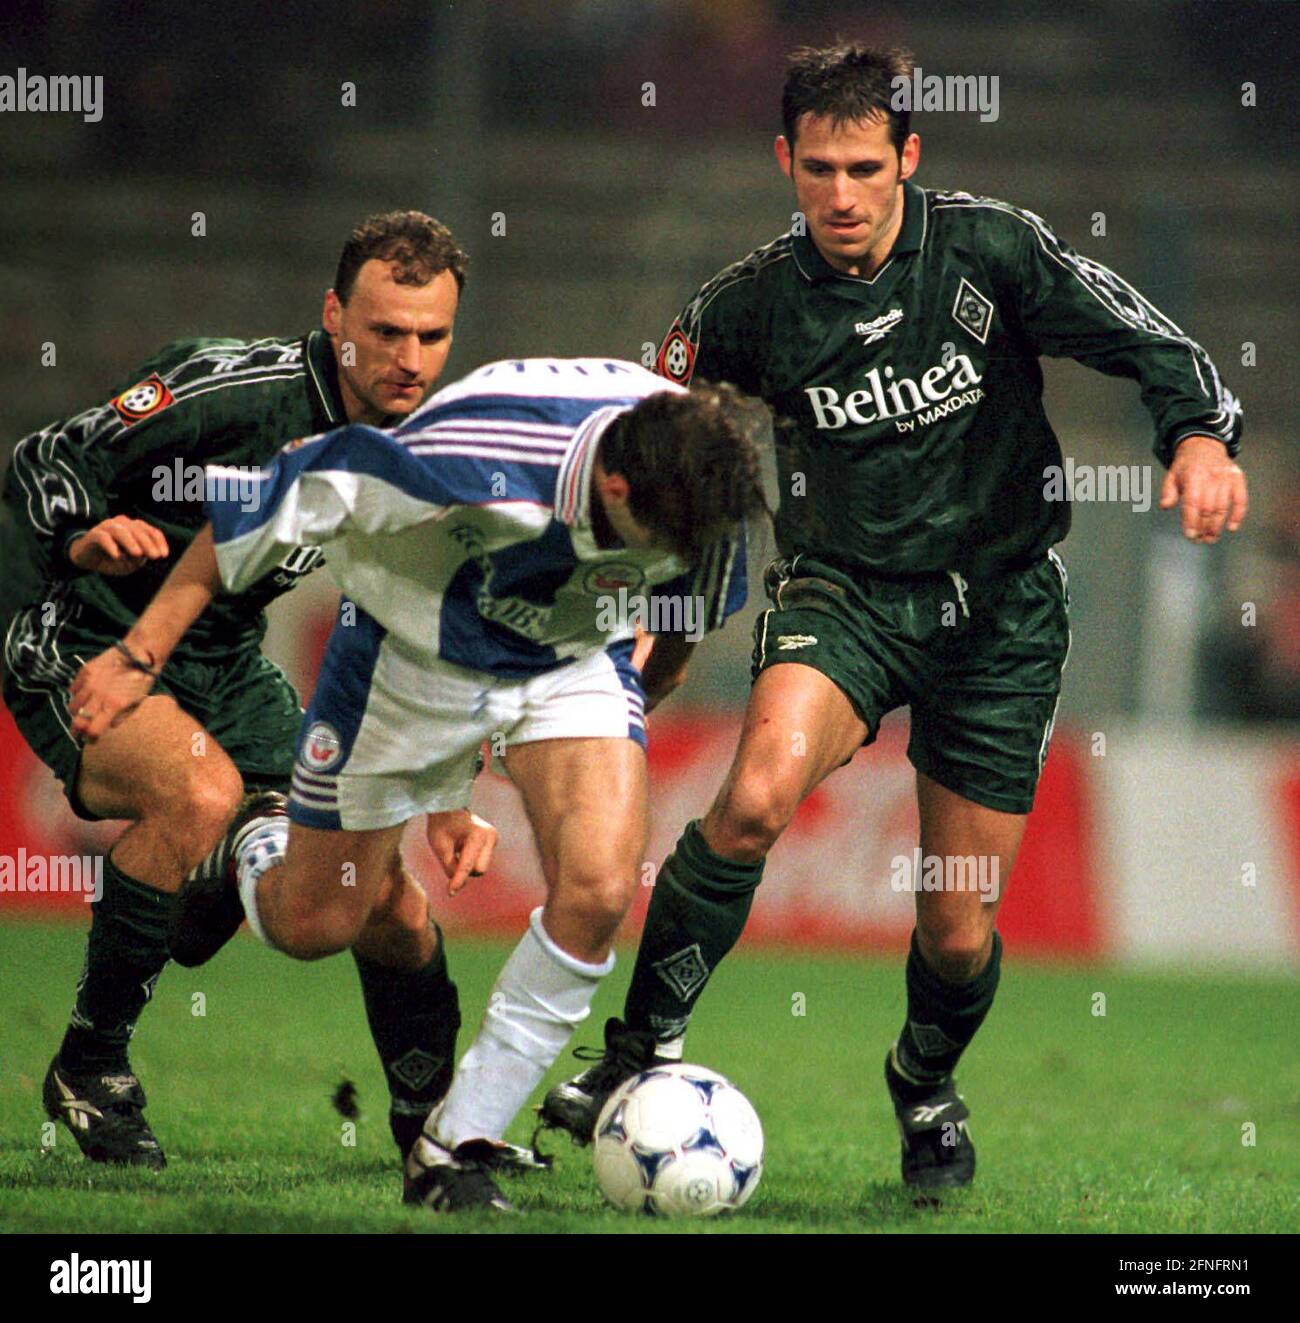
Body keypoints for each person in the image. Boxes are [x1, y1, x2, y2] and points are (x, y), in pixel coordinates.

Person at [541, 41, 1248, 1189]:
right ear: (784, 160)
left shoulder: (987, 247)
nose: (839, 194)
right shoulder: (744, 308)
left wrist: (1200, 438)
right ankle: (635, 1053)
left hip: (1003, 611)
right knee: (755, 795)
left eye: (863, 167)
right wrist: (658, 617)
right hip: (846, 596)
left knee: (957, 929)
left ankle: (923, 1085)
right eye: (816, 167)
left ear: (908, 158)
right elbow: (651, 458)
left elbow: (1147, 339)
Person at [68, 356, 770, 1211]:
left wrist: (629, 709)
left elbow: (687, 606)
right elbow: (263, 506)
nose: (693, 551)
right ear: (613, 486)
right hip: (406, 663)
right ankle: (256, 838)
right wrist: (138, 655)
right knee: (312, 923)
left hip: (570, 661)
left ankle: (451, 1146)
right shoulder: (466, 458)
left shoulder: (704, 478)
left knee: (599, 886)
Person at [2, 210, 483, 1170]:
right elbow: (44, 456)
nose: (410, 358)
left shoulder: (424, 445)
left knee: (375, 892)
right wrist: (80, 537)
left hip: (225, 664)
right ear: (334, 315)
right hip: (82, 639)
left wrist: (446, 790)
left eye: (432, 335)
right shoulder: (230, 391)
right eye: (386, 331)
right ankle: (90, 1066)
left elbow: (435, 621)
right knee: (199, 792)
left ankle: (438, 1129)